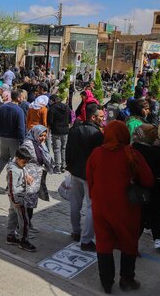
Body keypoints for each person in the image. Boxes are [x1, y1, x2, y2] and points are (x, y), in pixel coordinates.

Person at [86, 120, 153, 293]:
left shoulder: (96, 153)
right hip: (126, 207)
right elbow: (148, 180)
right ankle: (127, 279)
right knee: (128, 241)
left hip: (101, 206)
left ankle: (106, 283)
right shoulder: (132, 154)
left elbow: (89, 178)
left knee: (103, 243)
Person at [66, 103, 104, 251]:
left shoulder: (75, 130)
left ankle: (76, 231)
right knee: (92, 206)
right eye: (101, 116)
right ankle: (86, 240)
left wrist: (69, 166)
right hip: (88, 175)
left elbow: (68, 151)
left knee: (75, 203)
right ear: (93, 117)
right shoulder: (97, 134)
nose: (103, 119)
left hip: (75, 171)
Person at [132, 124, 160, 250]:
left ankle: (133, 243)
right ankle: (158, 239)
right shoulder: (157, 152)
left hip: (137, 189)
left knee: (140, 217)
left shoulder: (132, 149)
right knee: (154, 215)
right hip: (155, 189)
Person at [20, 125, 54, 232]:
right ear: (35, 134)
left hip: (36, 178)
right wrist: (25, 175)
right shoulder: (27, 145)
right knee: (26, 204)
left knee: (31, 204)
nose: (43, 138)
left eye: (45, 135)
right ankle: (22, 228)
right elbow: (18, 162)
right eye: (41, 135)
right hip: (28, 178)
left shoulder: (40, 145)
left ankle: (28, 224)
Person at [0, 90, 26, 190]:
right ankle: (10, 183)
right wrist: (22, 141)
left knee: (2, 158)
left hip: (3, 137)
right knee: (14, 161)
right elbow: (21, 128)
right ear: (18, 98)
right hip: (14, 138)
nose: (23, 98)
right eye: (22, 97)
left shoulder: (2, 107)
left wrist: (0, 133)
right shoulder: (19, 110)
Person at [7, 145, 38, 252]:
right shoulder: (13, 170)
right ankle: (23, 240)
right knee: (24, 219)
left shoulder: (19, 166)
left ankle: (10, 236)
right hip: (17, 197)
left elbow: (22, 169)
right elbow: (11, 187)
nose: (25, 164)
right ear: (17, 158)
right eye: (23, 162)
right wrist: (15, 201)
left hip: (15, 197)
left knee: (13, 216)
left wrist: (26, 176)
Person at [47, 94, 71, 174]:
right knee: (64, 148)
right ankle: (64, 166)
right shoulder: (67, 107)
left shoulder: (52, 108)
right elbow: (70, 120)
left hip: (56, 131)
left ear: (53, 101)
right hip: (65, 130)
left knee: (57, 149)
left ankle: (58, 167)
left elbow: (50, 121)